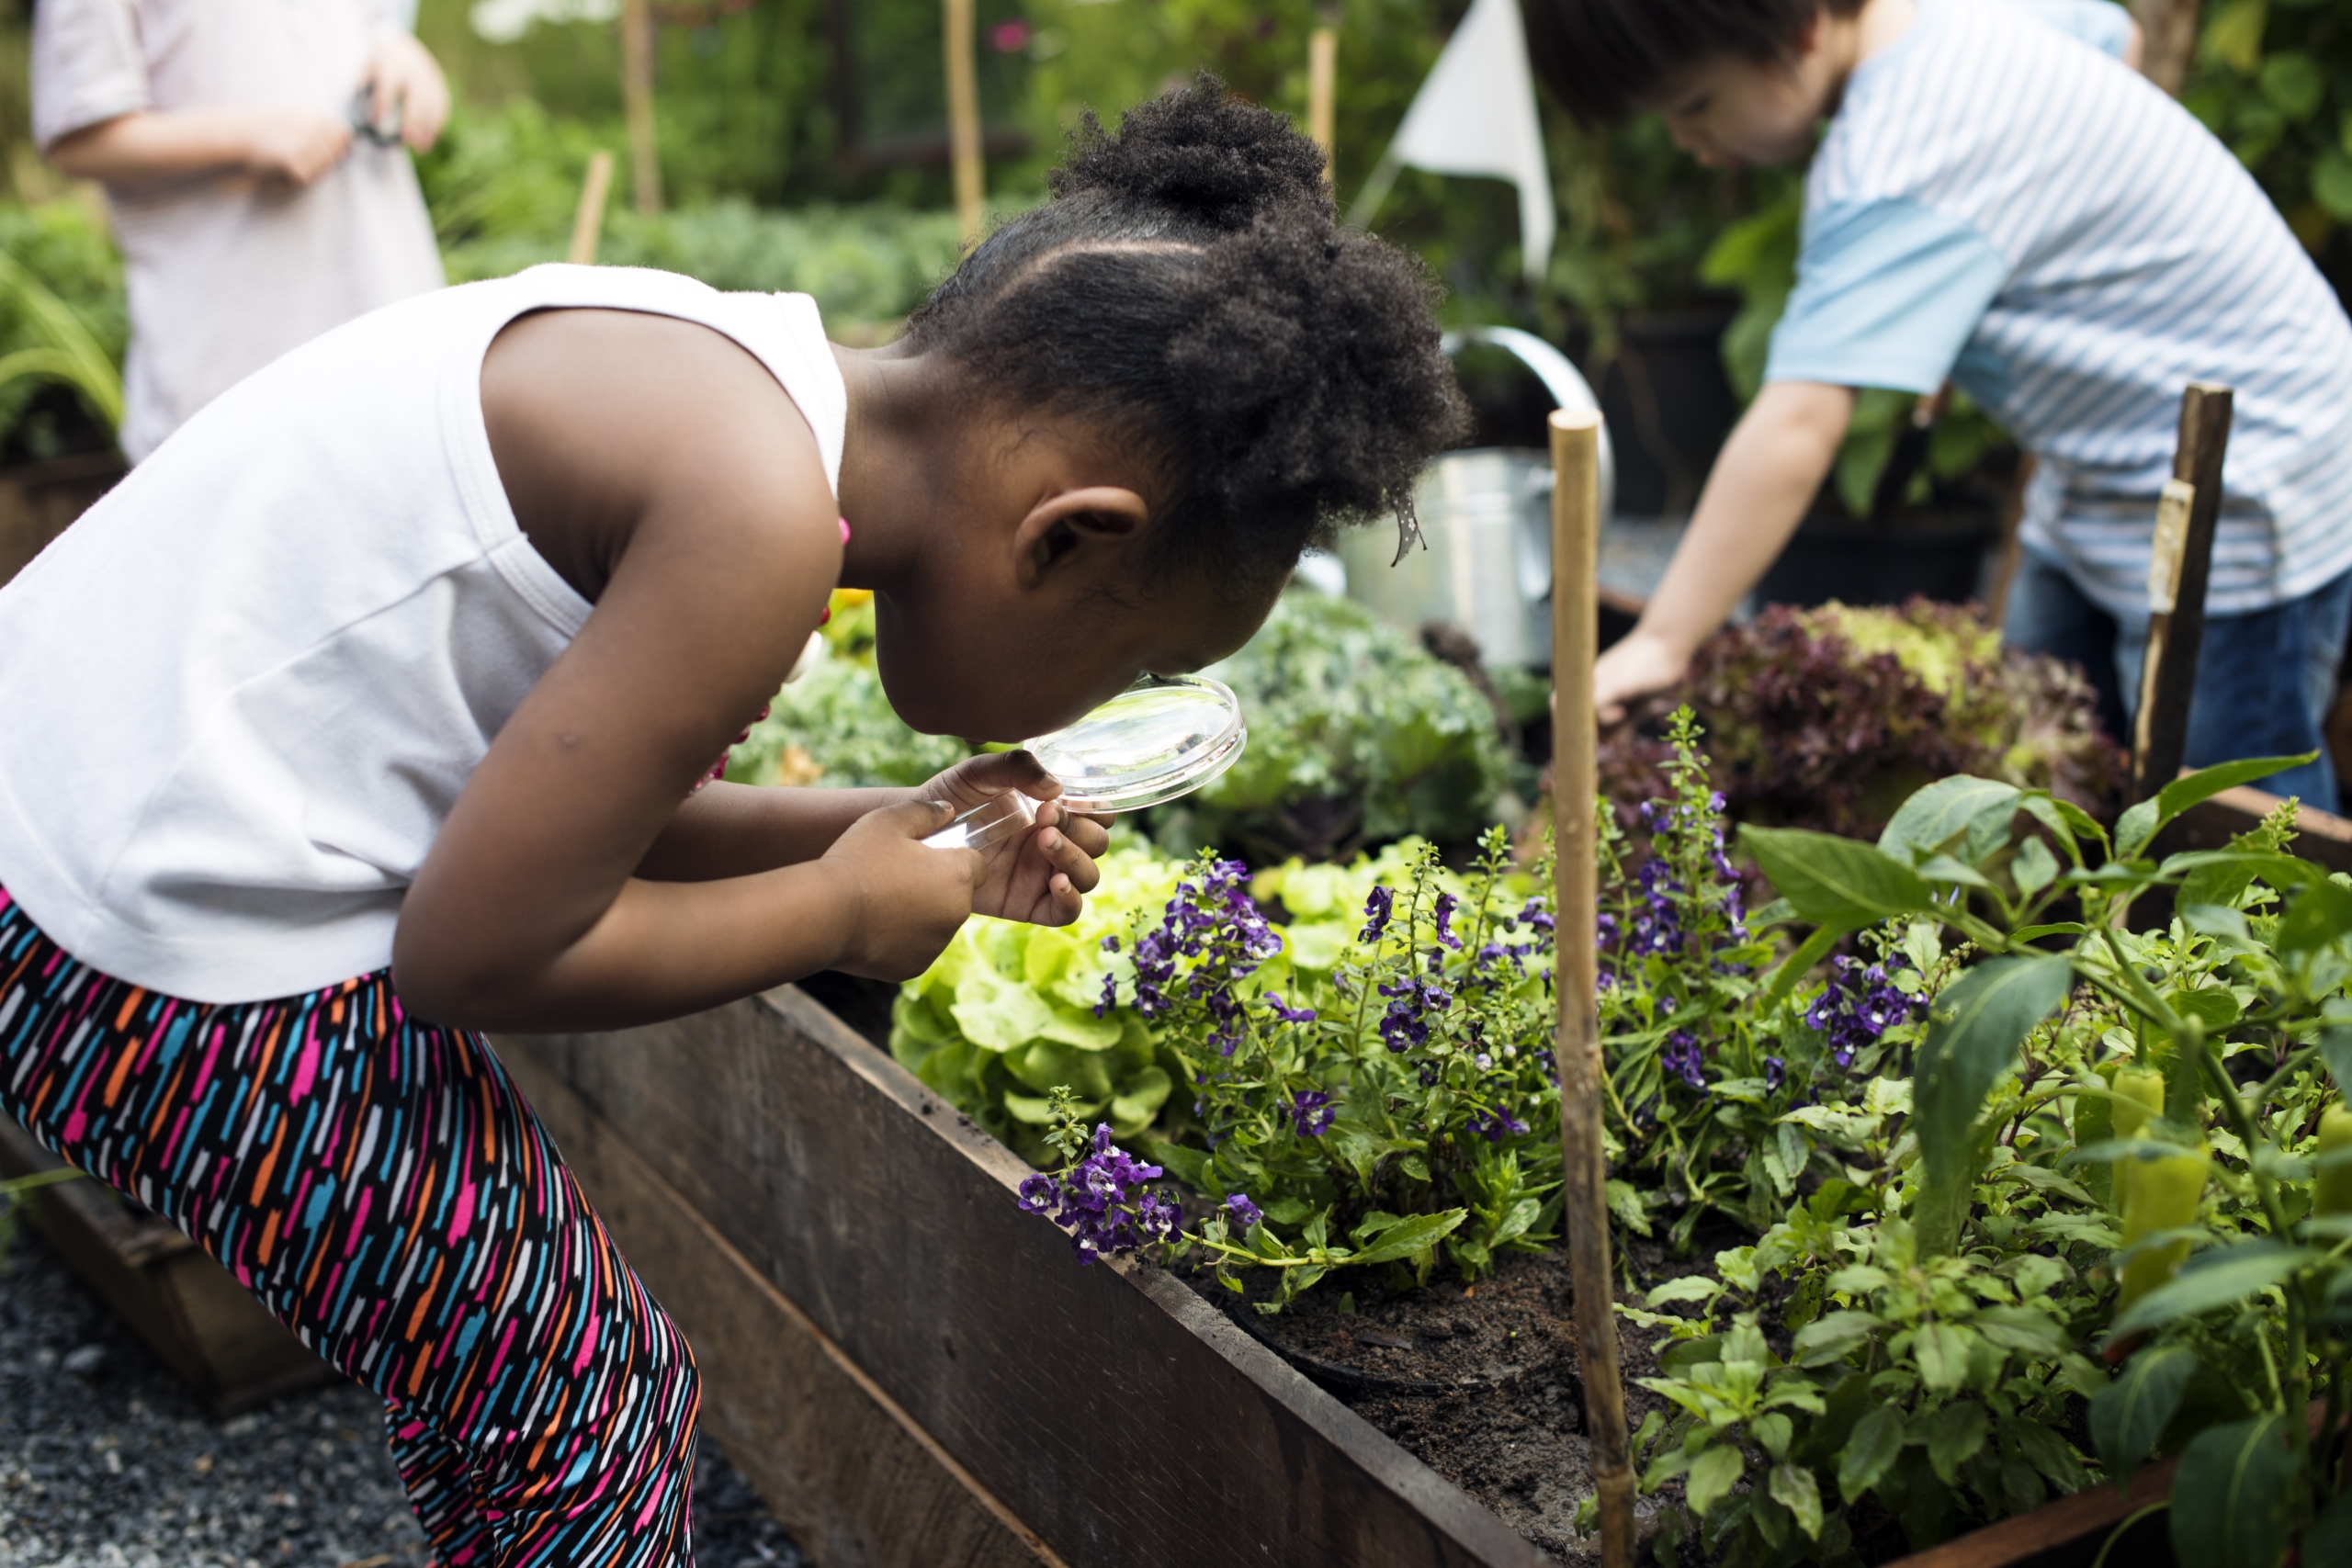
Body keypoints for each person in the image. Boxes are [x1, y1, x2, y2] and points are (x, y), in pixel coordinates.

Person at [0, 83, 1465, 1566]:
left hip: (64, 837)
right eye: (1138, 656)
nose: (1115, 694)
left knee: (539, 1387)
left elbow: (572, 822)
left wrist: (882, 826)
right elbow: (477, 951)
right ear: (1070, 535)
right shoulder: (756, 525)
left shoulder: (734, 378)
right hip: (147, 938)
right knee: (587, 1421)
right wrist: (837, 912)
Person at [1525, 0, 2352, 805]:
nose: (1689, 144)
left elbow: (1799, 424)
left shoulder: (1894, 158)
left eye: (1696, 106)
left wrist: (1667, 639)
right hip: (2106, 470)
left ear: (1803, 24)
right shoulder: (1955, 16)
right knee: (2037, 764)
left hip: (2245, 476)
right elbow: (2116, 37)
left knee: (2231, 817)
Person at [32, 0, 449, 462]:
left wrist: (398, 49)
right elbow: (76, 137)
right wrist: (242, 136)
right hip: (232, 369)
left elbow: (376, 25)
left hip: (391, 320)